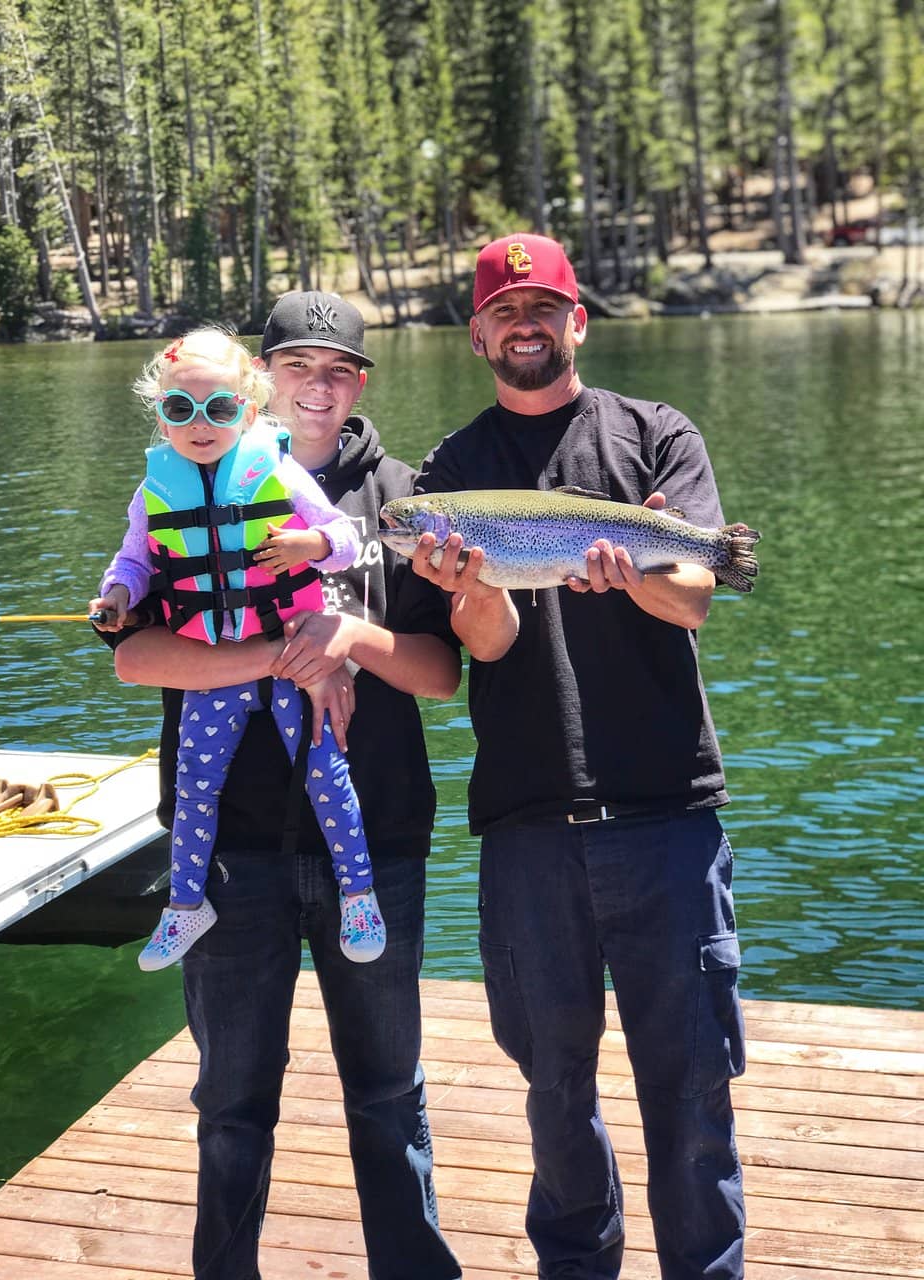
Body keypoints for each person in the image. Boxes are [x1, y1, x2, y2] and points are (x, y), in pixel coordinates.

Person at [95, 293, 463, 1280]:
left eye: (337, 369)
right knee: (230, 1098)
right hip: (231, 853)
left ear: (360, 383)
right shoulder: (193, 472)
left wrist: (351, 636)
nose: (317, 386)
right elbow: (136, 658)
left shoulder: (402, 497)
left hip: (374, 839)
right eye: (297, 367)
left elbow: (440, 671)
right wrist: (275, 653)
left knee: (389, 1090)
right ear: (263, 382)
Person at [409, 234, 747, 1279]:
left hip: (667, 813)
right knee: (554, 1089)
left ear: (576, 321)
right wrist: (467, 583)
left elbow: (694, 595)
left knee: (691, 1085)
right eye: (505, 310)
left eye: (542, 306)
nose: (525, 324)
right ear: (477, 335)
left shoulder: (656, 434)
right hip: (528, 824)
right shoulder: (452, 476)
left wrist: (635, 567)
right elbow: (489, 642)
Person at [90, 327, 385, 970]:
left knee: (323, 773)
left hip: (290, 658)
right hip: (211, 670)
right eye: (180, 409)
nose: (200, 424)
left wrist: (308, 546)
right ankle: (186, 904)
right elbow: (135, 562)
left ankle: (359, 894)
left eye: (219, 409)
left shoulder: (278, 473)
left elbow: (341, 538)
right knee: (198, 785)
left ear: (248, 412)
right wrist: (117, 593)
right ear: (161, 413)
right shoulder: (152, 493)